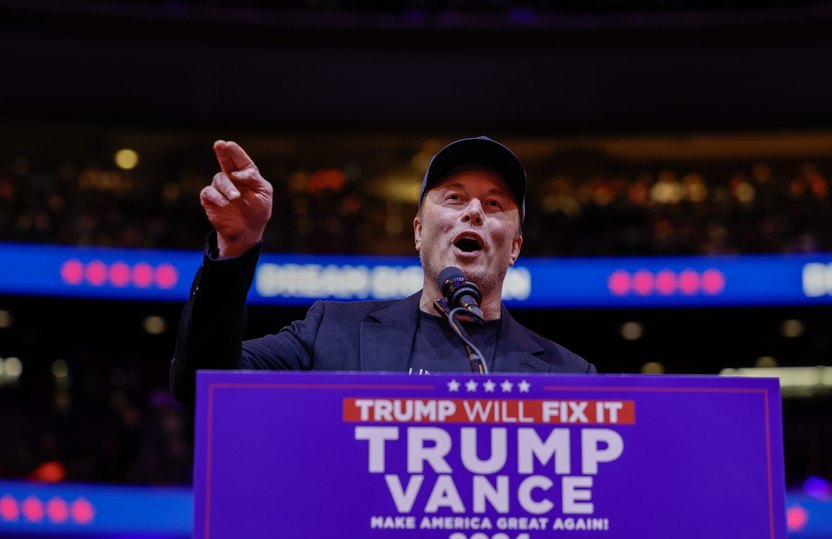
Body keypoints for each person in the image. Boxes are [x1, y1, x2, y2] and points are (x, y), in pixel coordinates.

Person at [171, 136, 595, 404]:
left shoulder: (570, 377)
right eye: (453, 198)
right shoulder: (332, 332)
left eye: (495, 203)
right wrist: (236, 251)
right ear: (418, 232)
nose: (473, 212)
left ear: (515, 247)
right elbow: (201, 385)